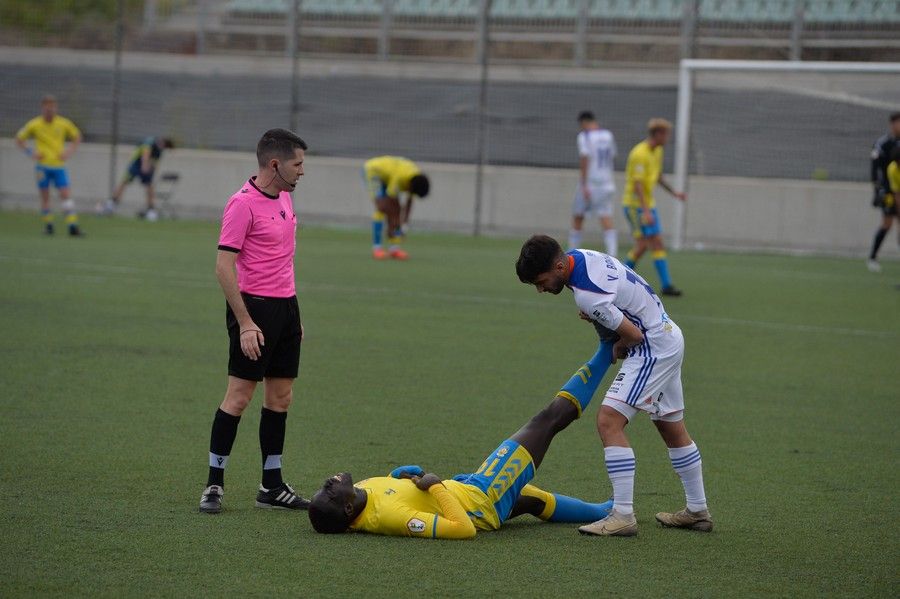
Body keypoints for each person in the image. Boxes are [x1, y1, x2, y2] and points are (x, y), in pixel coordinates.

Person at [308, 343, 617, 538]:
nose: (328, 482)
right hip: (481, 498)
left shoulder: (360, 494)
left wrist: (399, 474)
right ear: (348, 510)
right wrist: (435, 486)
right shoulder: (389, 518)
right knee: (547, 420)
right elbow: (462, 529)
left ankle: (607, 510)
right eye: (329, 492)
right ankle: (607, 350)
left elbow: (392, 490)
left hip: (469, 489)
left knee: (535, 500)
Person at [516, 235, 712, 537]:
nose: (541, 289)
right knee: (671, 426)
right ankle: (698, 509)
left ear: (557, 265)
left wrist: (614, 346)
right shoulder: (580, 256)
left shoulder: (587, 296)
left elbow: (631, 336)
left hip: (651, 347)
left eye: (541, 281)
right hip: (669, 333)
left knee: (609, 420)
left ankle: (622, 515)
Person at [199, 128, 310, 514]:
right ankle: (214, 483)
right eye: (298, 164)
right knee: (239, 397)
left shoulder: (285, 198)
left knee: (280, 398)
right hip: (254, 310)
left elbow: (284, 260)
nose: (302, 172)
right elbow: (223, 266)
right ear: (275, 164)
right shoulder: (241, 204)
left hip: (285, 309)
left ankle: (272, 485)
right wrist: (246, 322)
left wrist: (294, 316)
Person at [621, 118, 685, 296]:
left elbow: (658, 177)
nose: (668, 138)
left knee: (650, 244)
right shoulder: (639, 154)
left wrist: (674, 193)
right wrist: (646, 212)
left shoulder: (657, 151)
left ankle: (664, 285)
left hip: (648, 205)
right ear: (657, 134)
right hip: (636, 206)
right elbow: (638, 185)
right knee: (648, 244)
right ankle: (622, 279)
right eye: (666, 134)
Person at [15, 94, 84, 236]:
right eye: (47, 109)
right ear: (43, 108)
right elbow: (19, 139)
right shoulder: (34, 124)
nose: (50, 111)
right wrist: (31, 153)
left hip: (59, 166)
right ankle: (49, 225)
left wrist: (69, 151)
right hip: (42, 167)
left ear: (56, 108)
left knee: (65, 194)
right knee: (45, 196)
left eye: (52, 108)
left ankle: (72, 225)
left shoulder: (63, 123)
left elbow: (77, 136)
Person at [362, 155, 430, 260]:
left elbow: (408, 204)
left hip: (388, 176)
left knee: (395, 213)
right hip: (373, 171)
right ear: (410, 186)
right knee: (381, 208)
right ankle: (377, 249)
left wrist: (403, 227)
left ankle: (394, 249)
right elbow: (391, 202)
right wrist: (392, 226)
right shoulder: (400, 177)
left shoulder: (416, 179)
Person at [570, 111, 618, 257]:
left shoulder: (585, 136)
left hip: (591, 184)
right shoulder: (608, 135)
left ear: (583, 123)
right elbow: (612, 156)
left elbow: (585, 158)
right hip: (607, 183)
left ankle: (571, 254)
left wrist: (584, 184)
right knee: (606, 217)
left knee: (578, 216)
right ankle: (613, 255)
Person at [101, 136, 175, 221]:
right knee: (124, 182)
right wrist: (144, 165)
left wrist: (151, 168)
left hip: (147, 167)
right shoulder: (150, 142)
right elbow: (145, 153)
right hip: (136, 164)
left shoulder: (160, 150)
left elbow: (155, 162)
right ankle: (111, 204)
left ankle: (151, 210)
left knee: (149, 186)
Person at [867, 112, 900, 272]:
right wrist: (877, 190)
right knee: (887, 224)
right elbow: (875, 169)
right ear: (892, 124)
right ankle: (872, 256)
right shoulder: (883, 144)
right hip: (888, 191)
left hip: (898, 189)